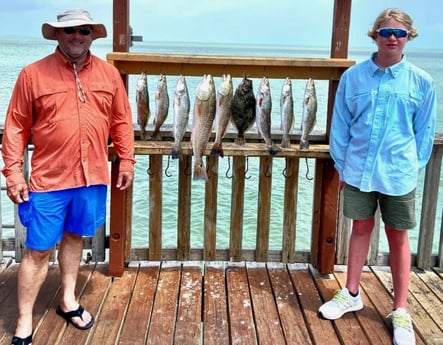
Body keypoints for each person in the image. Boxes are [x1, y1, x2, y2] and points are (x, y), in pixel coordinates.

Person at [2, 9, 136, 345]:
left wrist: (128, 161)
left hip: (92, 177)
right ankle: (24, 320)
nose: (78, 36)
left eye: (85, 30)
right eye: (71, 30)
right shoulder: (32, 75)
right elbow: (16, 127)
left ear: (92, 35)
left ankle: (68, 301)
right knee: (37, 250)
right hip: (49, 180)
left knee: (76, 238)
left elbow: (121, 121)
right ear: (58, 35)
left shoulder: (109, 75)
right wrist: (14, 174)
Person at [318, 8, 436, 345]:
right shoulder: (354, 78)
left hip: (399, 173)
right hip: (358, 168)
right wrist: (342, 163)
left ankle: (400, 310)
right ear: (375, 36)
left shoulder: (422, 82)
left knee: (398, 237)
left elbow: (424, 134)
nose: (393, 38)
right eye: (386, 32)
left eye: (400, 33)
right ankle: (351, 292)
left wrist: (410, 167)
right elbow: (340, 125)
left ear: (409, 37)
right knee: (360, 229)